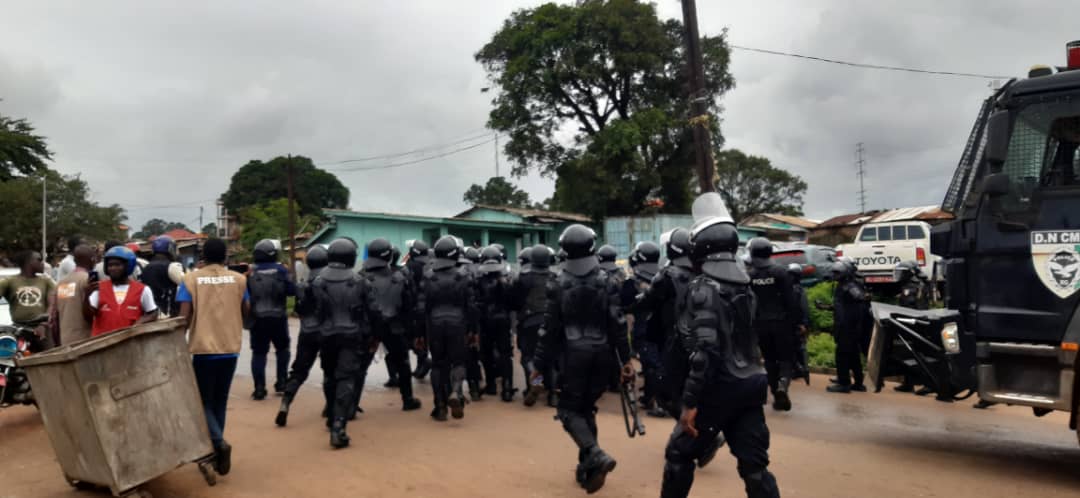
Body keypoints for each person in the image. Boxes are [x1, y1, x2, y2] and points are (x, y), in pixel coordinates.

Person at [660, 192, 781, 498]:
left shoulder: (703, 289)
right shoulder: (745, 286)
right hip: (751, 384)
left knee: (678, 455)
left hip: (718, 388)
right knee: (754, 468)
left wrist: (688, 403)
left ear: (700, 246)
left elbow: (706, 352)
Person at [532, 224, 633, 494]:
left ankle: (594, 453)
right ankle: (587, 469)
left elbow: (549, 329)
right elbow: (618, 324)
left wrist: (538, 365)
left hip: (573, 355)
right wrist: (626, 360)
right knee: (586, 408)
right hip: (603, 355)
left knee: (567, 411)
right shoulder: (607, 280)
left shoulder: (558, 281)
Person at [178, 238, 249, 476]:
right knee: (220, 400)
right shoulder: (240, 280)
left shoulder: (190, 280)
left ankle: (218, 443)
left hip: (203, 349)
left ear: (203, 256)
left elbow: (183, 318)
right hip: (230, 347)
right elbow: (246, 311)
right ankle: (218, 453)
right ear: (225, 256)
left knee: (202, 401)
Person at [313, 239, 372, 448]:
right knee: (346, 378)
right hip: (351, 334)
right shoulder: (360, 281)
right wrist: (370, 336)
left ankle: (331, 414)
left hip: (326, 335)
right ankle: (339, 426)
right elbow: (371, 311)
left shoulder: (318, 281)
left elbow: (310, 310)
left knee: (329, 376)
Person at [362, 238, 423, 411]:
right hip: (394, 326)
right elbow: (409, 305)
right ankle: (407, 399)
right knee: (403, 363)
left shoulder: (361, 276)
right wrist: (411, 330)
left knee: (360, 366)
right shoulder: (401, 276)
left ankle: (349, 405)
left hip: (370, 327)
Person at [420, 236, 476, 421]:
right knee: (459, 362)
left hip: (435, 324)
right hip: (458, 323)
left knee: (438, 365)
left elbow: (421, 307)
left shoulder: (428, 276)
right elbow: (471, 306)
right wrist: (473, 330)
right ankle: (456, 390)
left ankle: (440, 406)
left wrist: (419, 333)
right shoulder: (463, 275)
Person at [276, 245, 329, 427]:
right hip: (327, 331)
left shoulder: (302, 286)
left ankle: (286, 403)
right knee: (330, 370)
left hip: (306, 332)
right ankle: (330, 407)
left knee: (298, 371)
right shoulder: (329, 284)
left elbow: (298, 309)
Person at [745, 237, 798, 411]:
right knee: (785, 358)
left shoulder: (750, 276)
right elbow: (791, 301)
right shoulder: (780, 272)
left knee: (769, 360)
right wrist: (797, 323)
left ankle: (776, 393)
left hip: (760, 324)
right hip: (782, 323)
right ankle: (783, 385)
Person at [247, 239, 295, 400]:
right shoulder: (282, 270)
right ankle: (281, 381)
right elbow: (291, 291)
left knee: (259, 353)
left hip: (257, 318)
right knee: (282, 349)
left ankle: (259, 388)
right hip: (278, 317)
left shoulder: (250, 272)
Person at [514, 244, 558, 407]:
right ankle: (553, 396)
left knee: (528, 356)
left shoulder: (524, 278)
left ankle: (535, 382)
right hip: (552, 322)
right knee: (551, 359)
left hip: (529, 321)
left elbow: (515, 301)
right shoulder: (555, 277)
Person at [473, 245, 516, 402]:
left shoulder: (478, 280)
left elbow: (474, 302)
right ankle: (507, 388)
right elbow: (512, 303)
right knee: (505, 354)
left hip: (485, 322)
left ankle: (491, 385)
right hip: (503, 321)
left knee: (486, 354)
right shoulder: (508, 279)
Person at [83, 246, 158, 336]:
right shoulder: (99, 288)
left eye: (117, 265)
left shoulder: (142, 290)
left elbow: (153, 313)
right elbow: (88, 316)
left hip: (130, 343)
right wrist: (87, 295)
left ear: (128, 266)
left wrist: (140, 322)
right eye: (110, 265)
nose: (113, 268)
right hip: (102, 344)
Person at [627, 241, 664, 417]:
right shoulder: (665, 275)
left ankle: (658, 402)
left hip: (644, 328)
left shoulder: (634, 280)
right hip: (664, 328)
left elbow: (626, 305)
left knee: (652, 366)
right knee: (655, 363)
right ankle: (650, 396)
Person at [825, 260, 869, 393]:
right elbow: (843, 305)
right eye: (834, 272)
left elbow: (860, 297)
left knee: (842, 355)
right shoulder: (842, 285)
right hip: (847, 326)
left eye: (838, 272)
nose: (835, 275)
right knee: (853, 355)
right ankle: (859, 382)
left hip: (848, 327)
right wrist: (826, 307)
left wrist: (861, 296)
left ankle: (844, 383)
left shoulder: (849, 285)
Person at [0, 250, 57, 349]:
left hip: (42, 328)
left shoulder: (46, 281)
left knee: (50, 358)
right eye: (39, 260)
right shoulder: (8, 282)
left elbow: (52, 305)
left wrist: (43, 325)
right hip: (18, 329)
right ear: (29, 262)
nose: (43, 263)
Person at [55, 244, 96, 345]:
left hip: (65, 340)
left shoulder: (62, 282)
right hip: (85, 340)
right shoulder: (88, 280)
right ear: (93, 259)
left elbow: (56, 313)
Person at [403, 240, 433, 380]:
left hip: (414, 308)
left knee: (412, 339)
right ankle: (421, 366)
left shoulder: (410, 266)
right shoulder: (429, 266)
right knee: (423, 338)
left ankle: (423, 360)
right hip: (427, 308)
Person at [461, 245, 485, 401]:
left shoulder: (462, 273)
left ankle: (453, 392)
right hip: (481, 319)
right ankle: (477, 388)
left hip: (458, 322)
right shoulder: (482, 271)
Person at [139, 236, 184, 318]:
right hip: (167, 314)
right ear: (170, 249)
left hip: (150, 314)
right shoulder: (172, 266)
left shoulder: (146, 267)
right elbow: (188, 284)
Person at [787, 263, 811, 385]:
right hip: (790, 322)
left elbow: (804, 308)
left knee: (799, 347)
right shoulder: (789, 289)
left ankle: (802, 370)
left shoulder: (799, 291)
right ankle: (796, 369)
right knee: (792, 347)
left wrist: (804, 324)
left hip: (797, 323)